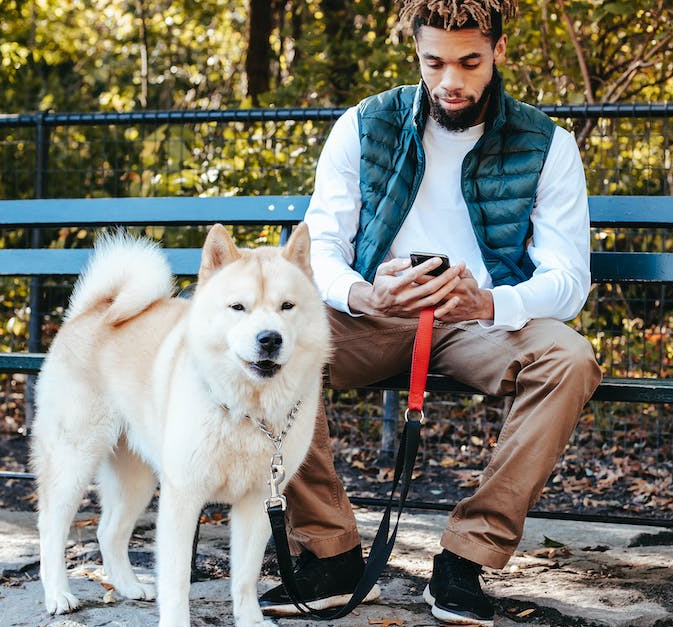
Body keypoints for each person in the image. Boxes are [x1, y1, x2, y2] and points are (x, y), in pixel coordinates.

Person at [257, 0, 602, 624]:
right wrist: (364, 293)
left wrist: (492, 300)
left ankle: (466, 557)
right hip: (375, 313)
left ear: (498, 50)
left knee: (570, 358)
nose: (451, 80)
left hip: (484, 320)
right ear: (415, 54)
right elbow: (322, 244)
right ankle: (330, 552)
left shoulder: (547, 144)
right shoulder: (364, 125)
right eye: (434, 62)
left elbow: (570, 280)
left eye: (469, 62)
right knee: (272, 350)